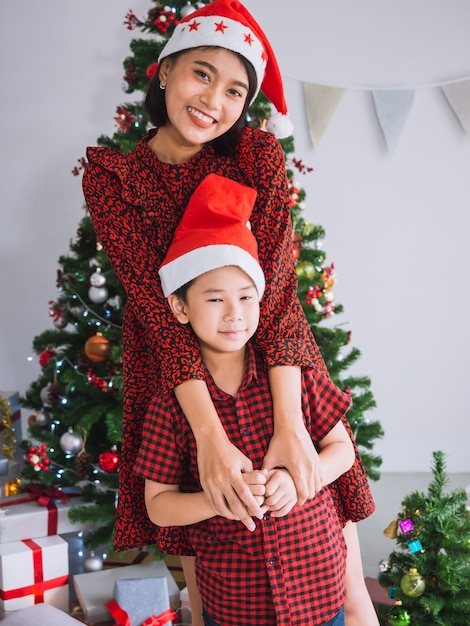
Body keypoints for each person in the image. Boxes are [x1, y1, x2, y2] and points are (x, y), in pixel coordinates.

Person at [82, 1, 378, 625]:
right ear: (164, 71)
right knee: (202, 503)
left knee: (315, 489)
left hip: (274, 351)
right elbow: (158, 313)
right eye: (202, 73)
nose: (214, 100)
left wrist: (292, 424)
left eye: (236, 89)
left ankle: (350, 609)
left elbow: (275, 299)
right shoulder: (116, 178)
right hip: (172, 360)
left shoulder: (257, 158)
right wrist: (212, 438)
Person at [135, 173, 355, 626]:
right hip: (235, 602)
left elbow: (343, 451)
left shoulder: (297, 380)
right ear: (180, 308)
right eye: (215, 299)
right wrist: (214, 502)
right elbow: (158, 504)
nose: (235, 314)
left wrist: (299, 482)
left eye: (246, 297)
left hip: (318, 589)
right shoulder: (171, 406)